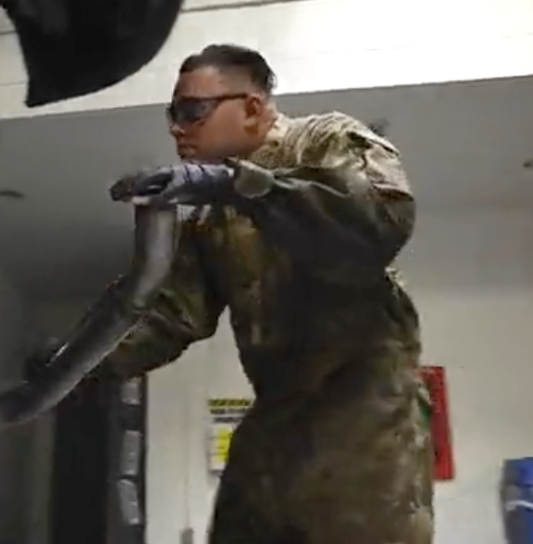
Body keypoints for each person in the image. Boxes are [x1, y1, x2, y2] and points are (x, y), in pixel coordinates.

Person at [104, 44, 433, 544]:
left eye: (192, 111)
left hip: (364, 423)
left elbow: (375, 224)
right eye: (172, 114)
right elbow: (168, 315)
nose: (176, 127)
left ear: (254, 107)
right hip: (274, 424)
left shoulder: (322, 142)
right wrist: (76, 363)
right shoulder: (212, 216)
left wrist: (242, 185)